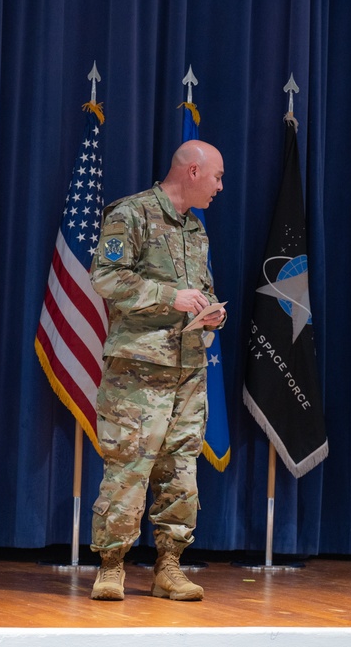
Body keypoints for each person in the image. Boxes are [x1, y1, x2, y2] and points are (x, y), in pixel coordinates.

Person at [88, 140, 227, 602]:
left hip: (188, 367)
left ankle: (169, 566)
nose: (220, 187)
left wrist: (210, 310)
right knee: (129, 467)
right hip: (140, 368)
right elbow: (106, 277)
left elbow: (200, 287)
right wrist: (171, 297)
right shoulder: (131, 214)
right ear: (192, 171)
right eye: (216, 177)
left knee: (181, 470)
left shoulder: (195, 229)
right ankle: (111, 567)